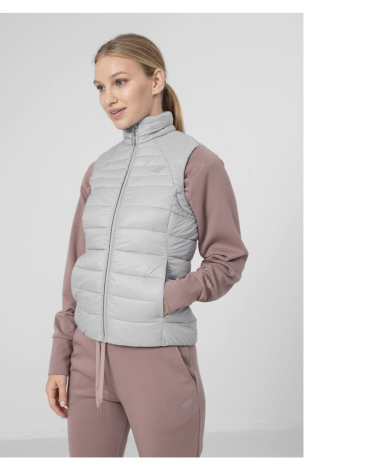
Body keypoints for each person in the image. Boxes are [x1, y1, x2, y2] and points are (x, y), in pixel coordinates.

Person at [45, 33, 249, 458]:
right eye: (100, 87)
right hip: (88, 359)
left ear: (156, 81)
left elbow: (228, 259)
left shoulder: (197, 163)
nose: (109, 98)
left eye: (120, 82)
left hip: (157, 359)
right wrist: (60, 357)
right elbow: (77, 267)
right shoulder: (99, 170)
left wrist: (167, 297)